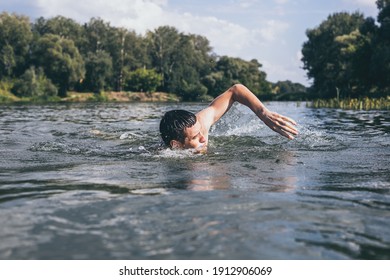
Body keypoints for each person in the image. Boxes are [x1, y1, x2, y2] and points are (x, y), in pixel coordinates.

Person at [159, 84, 298, 153]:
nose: (203, 138)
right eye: (195, 137)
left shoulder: (200, 122)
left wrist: (264, 113)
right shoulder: (163, 155)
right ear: (176, 145)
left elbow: (235, 90)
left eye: (201, 131)